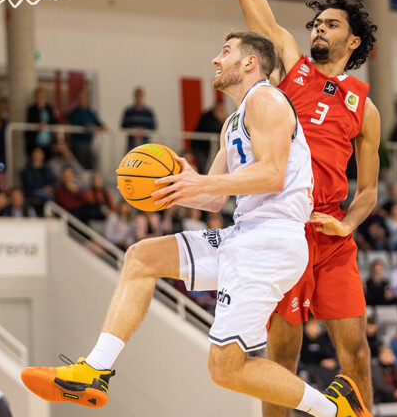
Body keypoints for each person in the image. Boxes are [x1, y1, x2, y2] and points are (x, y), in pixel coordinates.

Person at [21, 31, 368, 417]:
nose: (216, 61)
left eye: (225, 52)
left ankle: (336, 410)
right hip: (246, 234)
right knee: (141, 258)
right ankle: (95, 371)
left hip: (273, 240)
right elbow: (216, 198)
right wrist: (172, 189)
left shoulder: (267, 99)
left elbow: (272, 175)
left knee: (225, 369)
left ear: (250, 62)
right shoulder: (233, 122)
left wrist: (200, 182)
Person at [231, 0, 380, 414]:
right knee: (281, 359)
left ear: (352, 41)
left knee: (356, 355)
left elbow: (369, 190)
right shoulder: (291, 68)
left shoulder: (364, 107)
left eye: (330, 24)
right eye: (316, 23)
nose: (318, 29)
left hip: (331, 234)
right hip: (282, 227)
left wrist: (347, 224)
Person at [67, 85, 104, 169]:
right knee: (79, 164)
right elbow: (79, 124)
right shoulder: (74, 113)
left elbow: (100, 124)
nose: (83, 100)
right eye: (81, 97)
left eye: (85, 97)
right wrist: (90, 126)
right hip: (78, 142)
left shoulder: (91, 113)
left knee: (93, 162)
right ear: (78, 99)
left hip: (89, 142)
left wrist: (99, 128)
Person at [191, 100, 227, 173]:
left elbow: (224, 130)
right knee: (203, 164)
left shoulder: (225, 117)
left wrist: (222, 120)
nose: (221, 110)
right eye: (220, 108)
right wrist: (220, 120)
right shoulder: (207, 116)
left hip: (212, 147)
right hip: (200, 145)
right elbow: (210, 130)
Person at [120, 87, 157, 152]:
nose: (139, 98)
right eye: (137, 96)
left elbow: (153, 127)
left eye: (141, 96)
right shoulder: (128, 111)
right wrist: (133, 130)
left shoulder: (148, 112)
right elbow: (123, 125)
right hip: (132, 143)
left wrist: (143, 130)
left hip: (145, 143)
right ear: (134, 97)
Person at [25, 86, 57, 157]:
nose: (41, 99)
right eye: (38, 97)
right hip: (35, 141)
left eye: (42, 97)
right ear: (35, 98)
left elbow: (53, 121)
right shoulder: (32, 109)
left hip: (48, 142)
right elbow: (30, 122)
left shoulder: (49, 108)